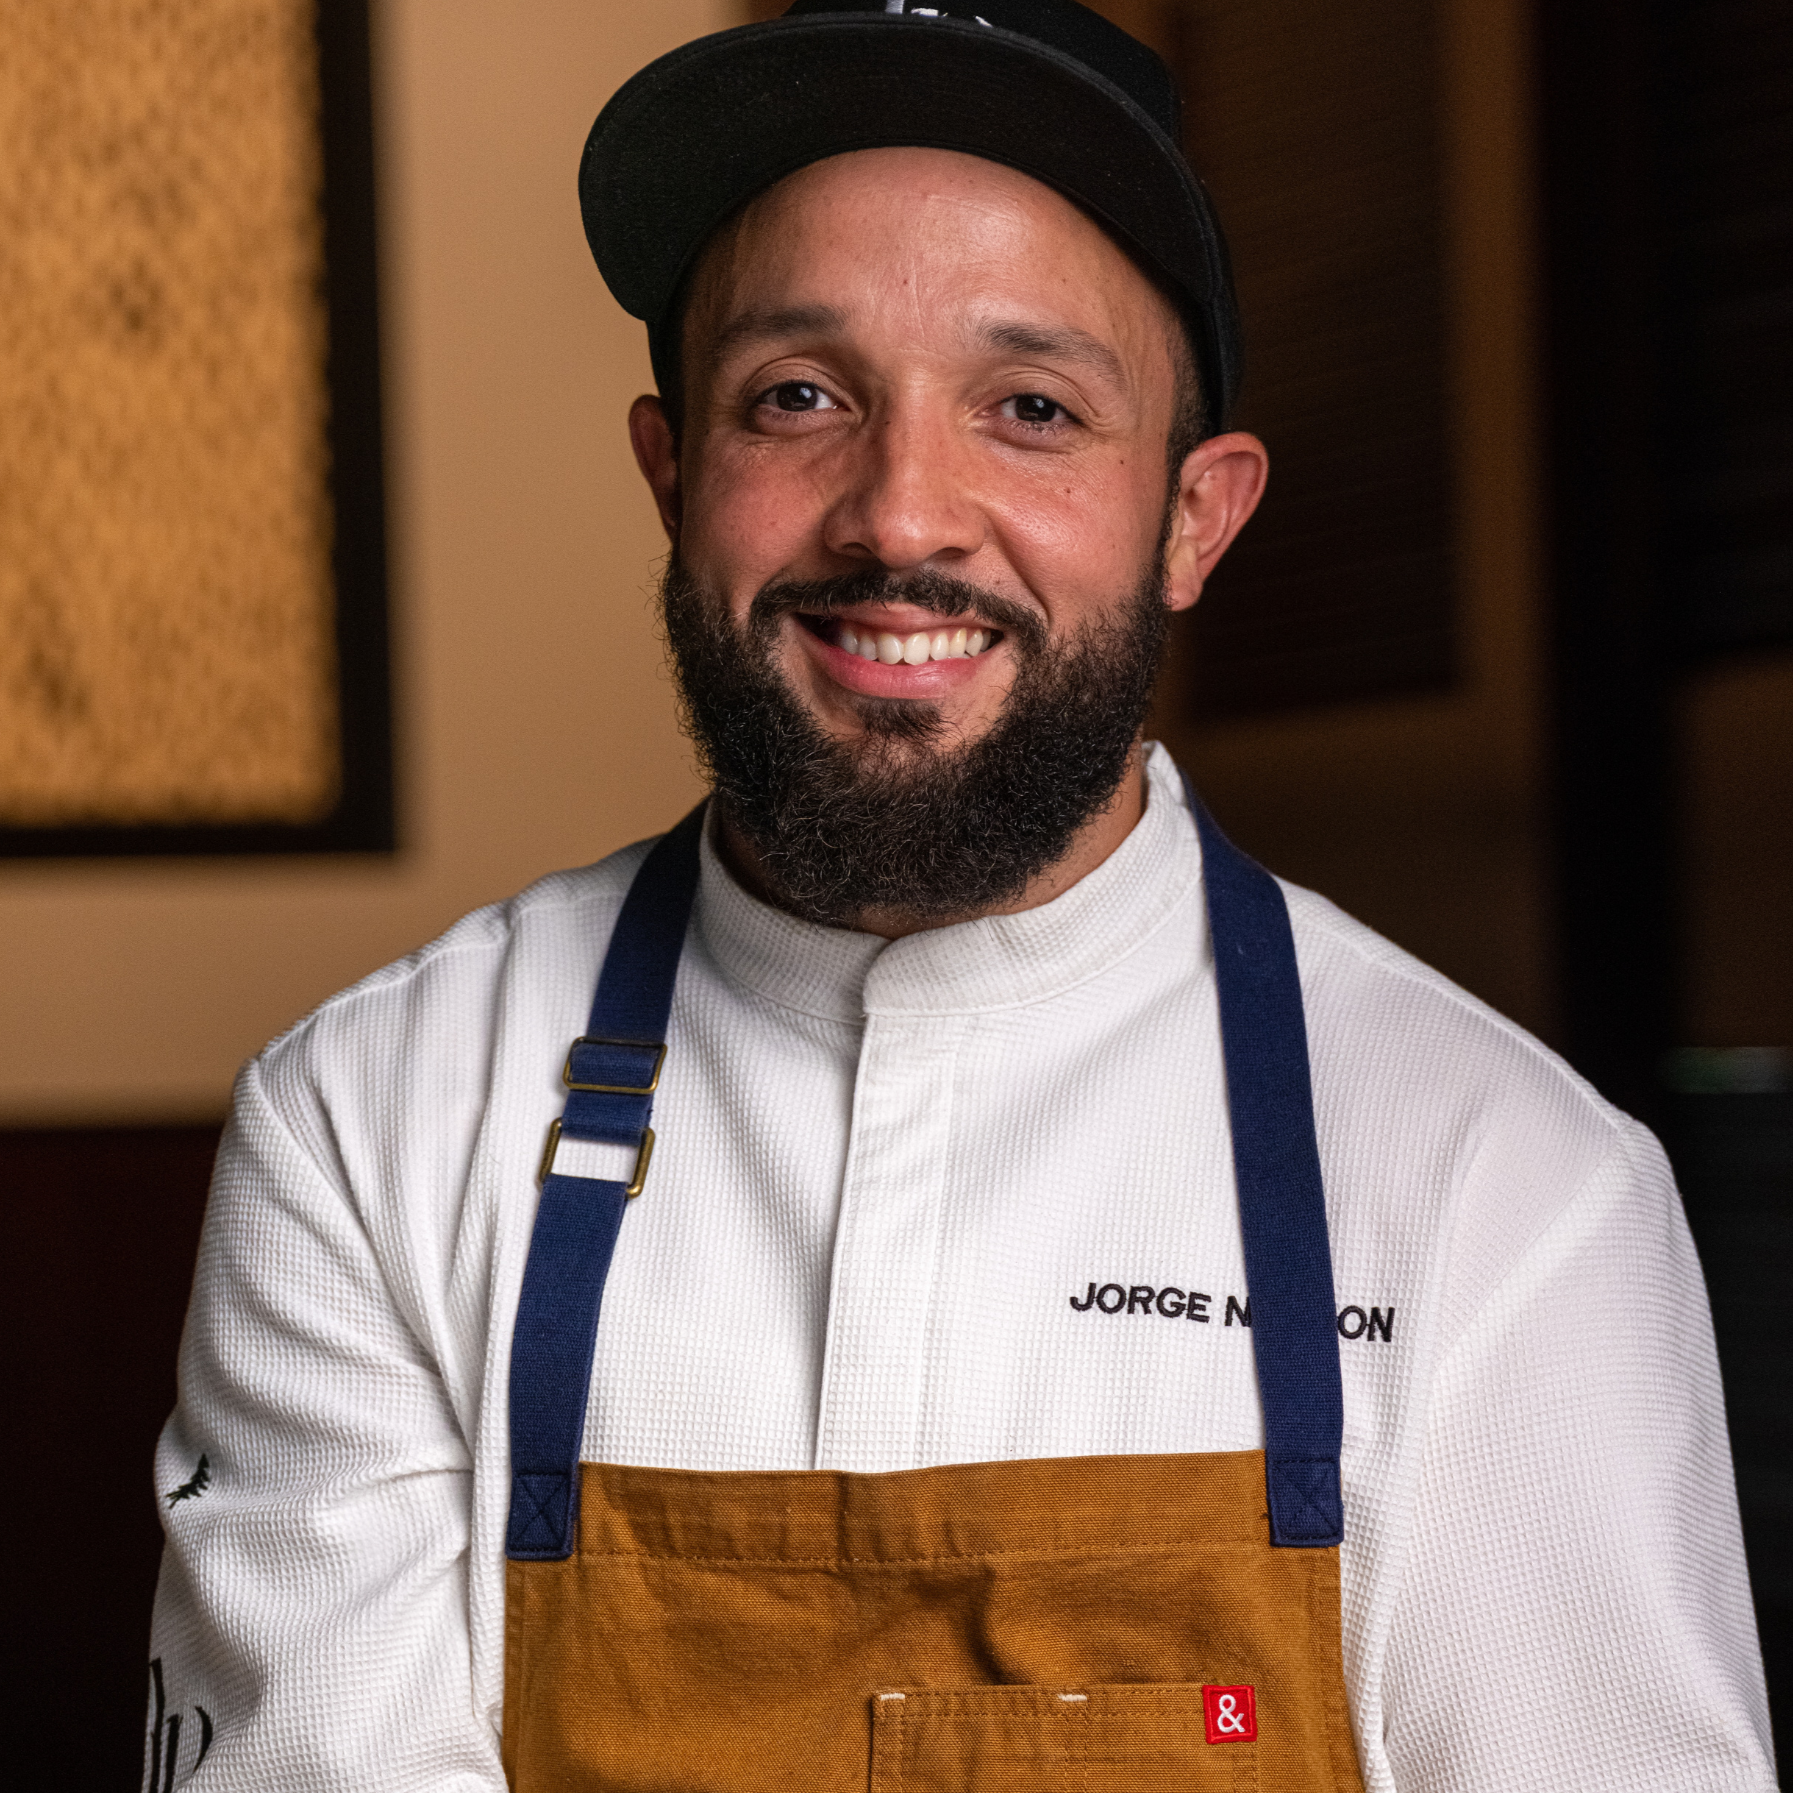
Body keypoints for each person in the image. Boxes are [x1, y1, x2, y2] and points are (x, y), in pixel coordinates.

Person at [146, 2, 1776, 1788]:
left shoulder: (1506, 1189)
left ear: (1194, 520)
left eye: (1031, 407)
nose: (902, 514)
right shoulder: (368, 1125)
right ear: (673, 471)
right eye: (799, 397)